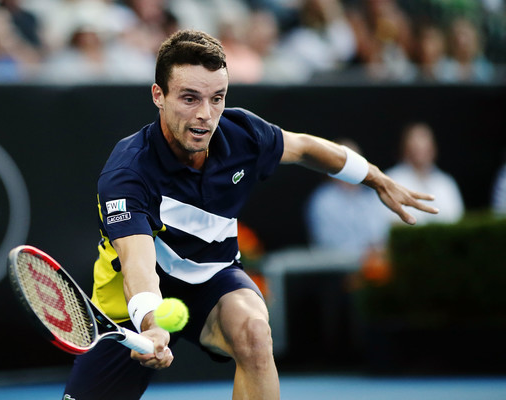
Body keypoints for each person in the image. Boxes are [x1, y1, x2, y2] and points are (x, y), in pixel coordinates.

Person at [62, 29, 438, 400]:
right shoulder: (128, 173)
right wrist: (150, 322)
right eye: (190, 98)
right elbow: (138, 267)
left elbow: (306, 148)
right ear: (158, 95)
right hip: (130, 306)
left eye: (217, 98)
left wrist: (375, 177)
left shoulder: (240, 134)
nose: (205, 115)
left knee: (256, 335)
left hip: (213, 279)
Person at [305, 139, 390, 260]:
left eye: (357, 162)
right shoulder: (323, 200)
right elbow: (326, 244)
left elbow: (381, 235)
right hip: (337, 270)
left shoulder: (370, 197)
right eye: (347, 162)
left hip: (374, 268)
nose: (352, 168)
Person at [385, 122, 464, 225]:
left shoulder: (446, 183)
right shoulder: (391, 180)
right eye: (415, 146)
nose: (421, 149)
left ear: (433, 148)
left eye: (425, 144)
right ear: (405, 148)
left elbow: (458, 219)